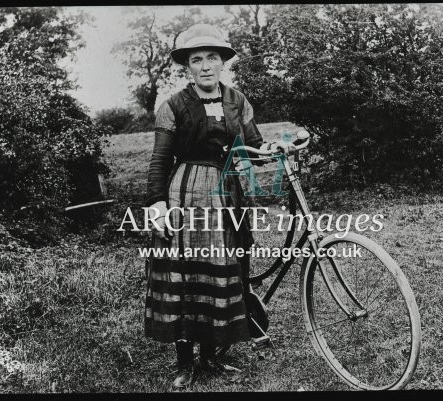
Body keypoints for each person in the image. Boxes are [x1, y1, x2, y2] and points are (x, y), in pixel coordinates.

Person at [142, 23, 292, 389]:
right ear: (187, 67)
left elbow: (254, 146)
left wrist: (271, 150)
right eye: (197, 59)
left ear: (223, 62)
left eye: (213, 57)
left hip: (227, 196)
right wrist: (156, 202)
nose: (206, 65)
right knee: (187, 274)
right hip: (186, 195)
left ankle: (210, 355)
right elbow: (160, 160)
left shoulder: (237, 100)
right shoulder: (173, 106)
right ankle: (184, 363)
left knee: (223, 269)